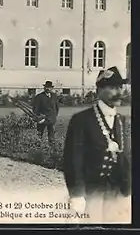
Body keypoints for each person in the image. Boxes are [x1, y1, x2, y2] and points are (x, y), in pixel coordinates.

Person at [63, 66, 131, 222]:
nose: (119, 92)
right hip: (91, 191)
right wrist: (76, 194)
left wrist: (128, 190)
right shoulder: (81, 120)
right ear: (100, 89)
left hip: (116, 191)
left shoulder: (122, 120)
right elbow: (73, 159)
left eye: (121, 87)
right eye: (113, 87)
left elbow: (126, 157)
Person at [32, 80, 60, 146]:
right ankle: (38, 146)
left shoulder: (54, 96)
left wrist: (54, 116)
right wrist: (37, 117)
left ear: (52, 88)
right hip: (42, 118)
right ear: (44, 88)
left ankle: (51, 146)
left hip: (51, 118)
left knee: (51, 133)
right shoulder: (39, 97)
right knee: (39, 133)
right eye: (46, 87)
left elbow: (57, 107)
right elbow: (35, 108)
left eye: (49, 87)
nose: (48, 88)